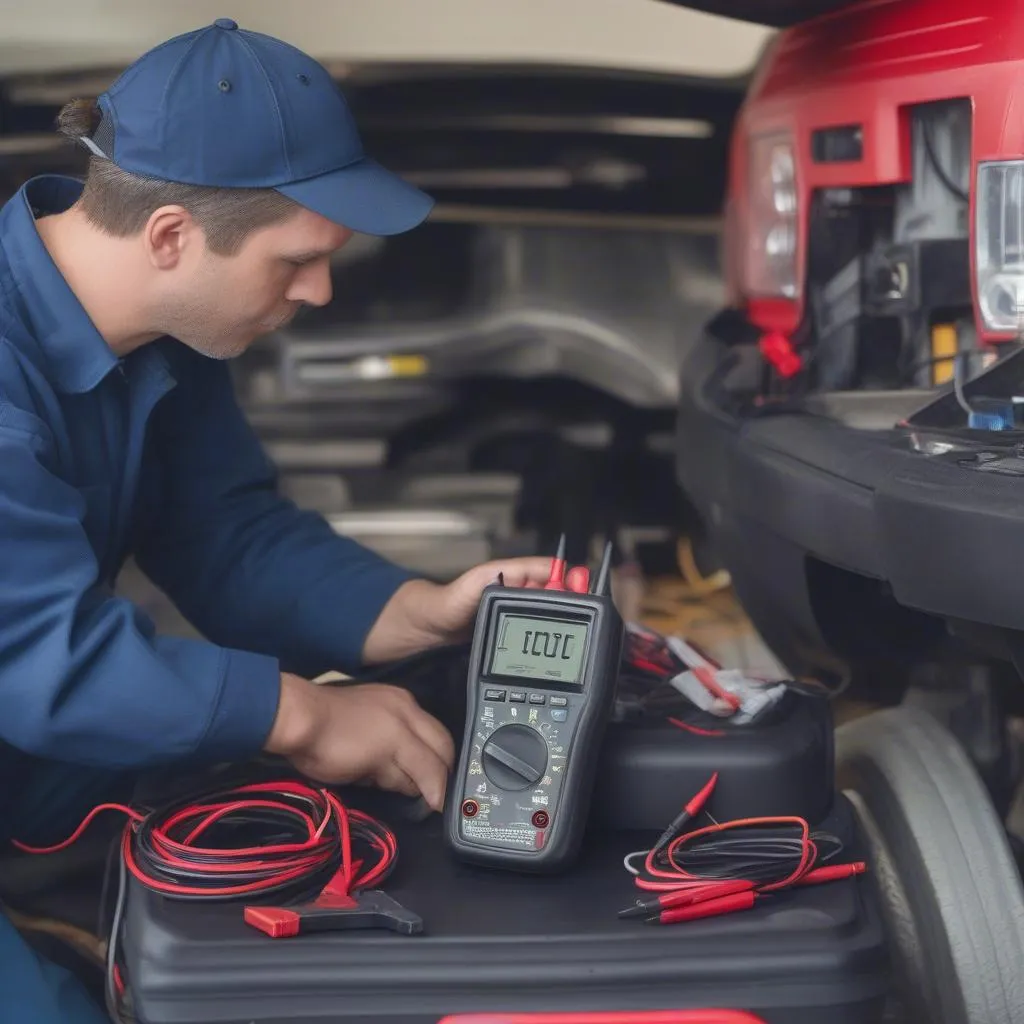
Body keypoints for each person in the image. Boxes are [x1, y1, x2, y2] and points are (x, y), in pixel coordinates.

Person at [0, 19, 566, 1023]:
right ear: (171, 234)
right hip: (26, 711)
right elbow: (47, 658)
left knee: (280, 824)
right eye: (295, 259)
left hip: (24, 750)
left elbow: (223, 531)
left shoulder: (161, 337)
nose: (320, 288)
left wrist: (410, 609)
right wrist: (301, 714)